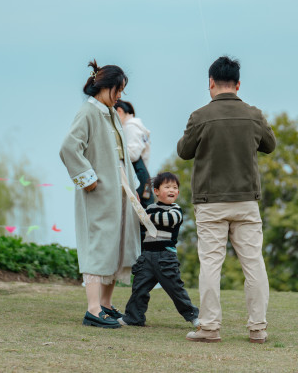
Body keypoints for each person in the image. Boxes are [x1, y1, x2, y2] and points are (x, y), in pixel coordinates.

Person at [177, 56, 276, 344]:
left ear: (211, 82)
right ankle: (258, 329)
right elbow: (270, 145)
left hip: (210, 201)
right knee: (254, 264)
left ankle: (209, 327)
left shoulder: (199, 116)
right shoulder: (254, 114)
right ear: (238, 84)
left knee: (211, 264)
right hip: (246, 201)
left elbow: (184, 151)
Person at [59, 60, 140, 329]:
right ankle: (93, 309)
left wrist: (132, 188)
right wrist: (88, 179)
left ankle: (105, 304)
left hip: (119, 189)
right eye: (118, 89)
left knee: (116, 244)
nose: (120, 95)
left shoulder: (110, 113)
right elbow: (69, 147)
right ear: (105, 86)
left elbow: (122, 155)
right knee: (97, 244)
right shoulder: (88, 112)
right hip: (99, 190)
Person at [119, 171, 199, 328]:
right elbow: (141, 221)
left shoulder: (176, 210)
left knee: (175, 289)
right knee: (139, 288)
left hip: (166, 258)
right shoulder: (150, 208)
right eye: (167, 187)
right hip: (147, 257)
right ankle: (134, 317)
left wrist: (149, 218)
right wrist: (141, 212)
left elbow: (170, 220)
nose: (171, 190)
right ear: (156, 191)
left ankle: (193, 316)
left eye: (174, 187)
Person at [114, 100, 153, 207]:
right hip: (145, 177)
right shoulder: (138, 126)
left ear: (119, 111)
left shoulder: (130, 126)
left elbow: (133, 154)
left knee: (139, 208)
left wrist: (115, 152)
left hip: (139, 175)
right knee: (146, 206)